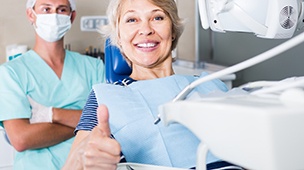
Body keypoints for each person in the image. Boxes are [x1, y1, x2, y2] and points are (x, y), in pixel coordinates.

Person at [63, 0, 244, 169]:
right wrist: (85, 159)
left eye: (157, 17)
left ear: (172, 30)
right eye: (132, 19)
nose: (145, 29)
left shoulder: (210, 84)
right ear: (118, 36)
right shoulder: (106, 98)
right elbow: (73, 163)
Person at [0, 0, 105, 169]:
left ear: (72, 16)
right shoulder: (11, 73)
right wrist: (86, 123)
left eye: (61, 9)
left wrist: (50, 114)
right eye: (46, 9)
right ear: (30, 14)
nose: (54, 16)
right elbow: (21, 139)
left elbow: (107, 123)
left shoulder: (94, 67)